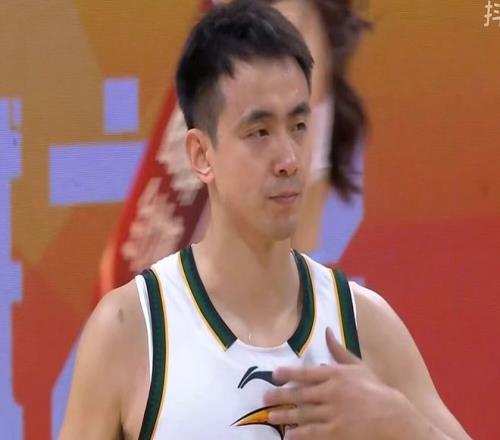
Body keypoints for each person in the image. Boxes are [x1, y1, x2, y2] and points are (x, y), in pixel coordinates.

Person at [60, 1, 471, 439]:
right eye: (259, 132)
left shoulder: (364, 325)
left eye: (298, 126)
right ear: (201, 154)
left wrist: (400, 423)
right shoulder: (130, 330)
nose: (289, 159)